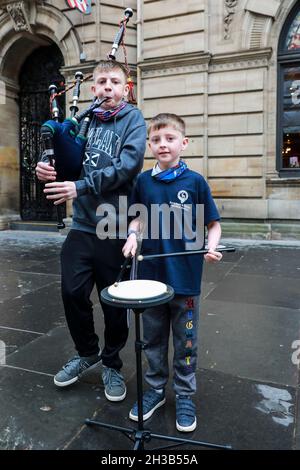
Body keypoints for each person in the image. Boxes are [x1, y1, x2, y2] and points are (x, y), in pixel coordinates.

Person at [36, 60, 146, 401]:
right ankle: (87, 353)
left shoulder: (134, 120)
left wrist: (79, 187)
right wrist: (46, 168)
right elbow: (68, 163)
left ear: (126, 88)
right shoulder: (82, 121)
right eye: (101, 82)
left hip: (114, 229)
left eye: (115, 81)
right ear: (94, 88)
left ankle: (111, 362)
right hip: (83, 225)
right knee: (72, 292)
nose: (107, 87)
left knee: (113, 303)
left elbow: (127, 167)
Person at [122, 113, 222, 431]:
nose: (162, 144)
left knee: (186, 342)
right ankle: (154, 391)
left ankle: (184, 394)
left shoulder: (195, 182)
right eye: (156, 139)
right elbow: (136, 219)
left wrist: (211, 245)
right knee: (152, 340)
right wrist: (132, 235)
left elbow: (213, 223)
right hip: (150, 277)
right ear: (149, 144)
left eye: (169, 138)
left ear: (184, 142)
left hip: (186, 281)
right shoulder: (142, 181)